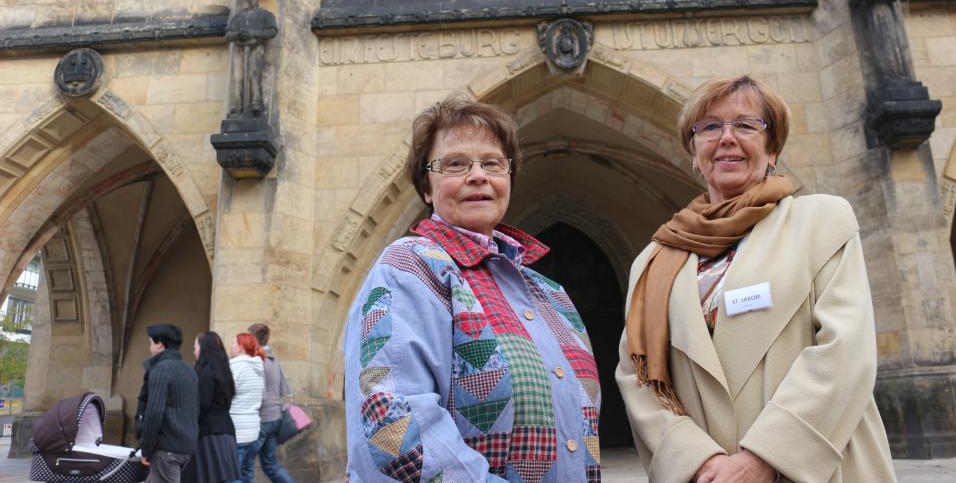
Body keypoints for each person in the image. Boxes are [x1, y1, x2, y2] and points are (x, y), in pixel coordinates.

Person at [615, 75, 898, 483]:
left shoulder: (820, 221)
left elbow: (845, 350)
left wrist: (764, 457)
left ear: (773, 148)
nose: (726, 138)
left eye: (746, 125)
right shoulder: (656, 257)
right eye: (709, 127)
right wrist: (700, 461)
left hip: (811, 468)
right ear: (694, 151)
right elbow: (635, 377)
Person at [344, 97, 602, 481]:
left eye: (493, 163)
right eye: (455, 164)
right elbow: (392, 424)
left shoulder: (550, 293)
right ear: (426, 187)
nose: (478, 175)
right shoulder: (410, 268)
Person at [137, 323, 199, 483]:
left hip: (167, 449)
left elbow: (154, 413)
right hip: (186, 446)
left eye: (150, 342)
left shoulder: (161, 369)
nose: (149, 346)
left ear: (159, 344)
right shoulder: (189, 369)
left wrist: (146, 448)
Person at [182, 332, 241, 483]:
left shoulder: (204, 374)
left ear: (204, 349)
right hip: (225, 433)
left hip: (209, 435)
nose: (194, 351)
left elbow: (200, 406)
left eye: (196, 347)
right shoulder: (224, 373)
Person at [246, 323, 294, 483]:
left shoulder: (257, 360)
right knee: (270, 465)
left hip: (262, 419)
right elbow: (283, 390)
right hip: (275, 418)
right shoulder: (274, 360)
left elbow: (257, 394)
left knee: (245, 467)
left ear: (254, 339)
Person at [228, 332, 265, 483]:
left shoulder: (236, 367)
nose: (230, 346)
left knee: (232, 475)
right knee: (247, 474)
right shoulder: (258, 368)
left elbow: (225, 394)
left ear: (240, 348)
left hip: (238, 430)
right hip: (253, 429)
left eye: (234, 343)